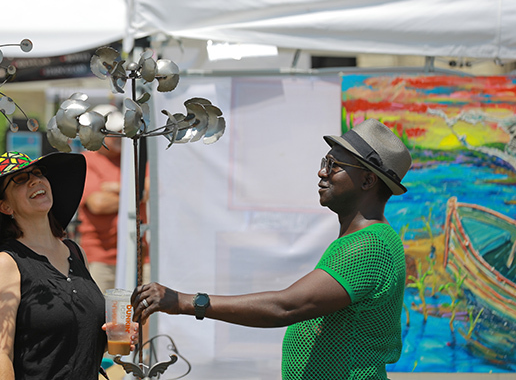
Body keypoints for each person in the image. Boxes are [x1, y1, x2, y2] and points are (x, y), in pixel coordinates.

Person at [131, 118, 412, 380]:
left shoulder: (371, 246)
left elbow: (286, 307)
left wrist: (183, 302)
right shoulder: (362, 241)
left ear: (367, 181)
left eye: (335, 164)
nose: (322, 171)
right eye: (324, 161)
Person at [0, 151, 135, 380]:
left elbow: (67, 341)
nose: (35, 180)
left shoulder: (76, 253)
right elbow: (0, 358)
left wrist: (111, 336)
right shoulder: (4, 264)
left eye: (38, 173)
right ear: (5, 207)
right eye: (20, 179)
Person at [77, 104, 149, 292]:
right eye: (111, 131)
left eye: (120, 130)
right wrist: (136, 194)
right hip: (103, 256)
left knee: (146, 314)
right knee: (102, 315)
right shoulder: (86, 160)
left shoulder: (133, 156)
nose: (118, 135)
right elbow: (98, 204)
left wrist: (116, 189)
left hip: (142, 255)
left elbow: (151, 189)